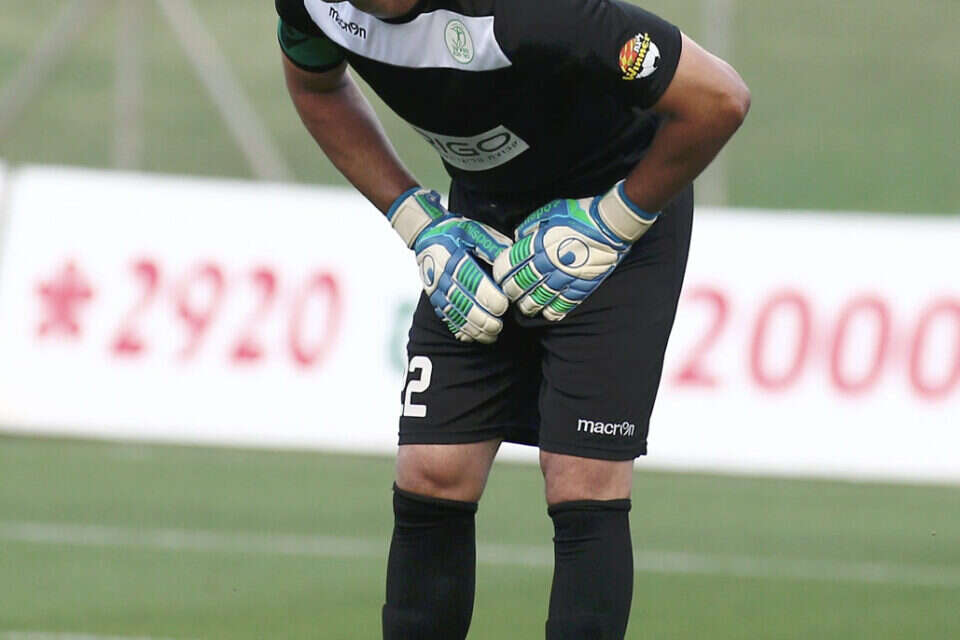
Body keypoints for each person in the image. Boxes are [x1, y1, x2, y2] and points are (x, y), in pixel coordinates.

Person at [275, 0, 749, 637]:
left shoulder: (536, 10)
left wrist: (613, 222)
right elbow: (316, 86)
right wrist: (416, 220)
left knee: (581, 479)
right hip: (482, 219)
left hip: (618, 214)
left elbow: (720, 98)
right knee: (433, 468)